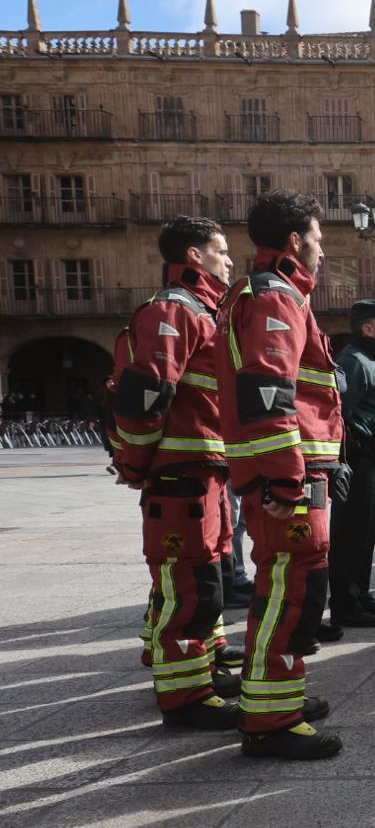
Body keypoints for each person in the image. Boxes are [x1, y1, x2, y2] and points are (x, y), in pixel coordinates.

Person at [215, 189, 345, 760]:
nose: (321, 250)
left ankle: (275, 700)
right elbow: (269, 392)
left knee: (286, 589)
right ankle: (271, 720)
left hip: (285, 469)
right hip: (289, 476)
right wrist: (287, 479)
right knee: (290, 593)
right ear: (295, 240)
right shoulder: (276, 295)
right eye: (317, 238)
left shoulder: (254, 292)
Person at [110, 215, 243, 729]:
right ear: (194, 256)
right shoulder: (174, 309)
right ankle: (185, 698)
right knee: (188, 584)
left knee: (205, 574)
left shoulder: (203, 310)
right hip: (181, 473)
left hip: (204, 468)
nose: (229, 260)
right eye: (221, 251)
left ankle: (204, 666)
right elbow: (146, 396)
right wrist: (136, 464)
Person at [329, 300, 375, 627]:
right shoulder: (354, 361)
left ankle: (361, 592)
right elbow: (341, 412)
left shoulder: (371, 359)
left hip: (372, 458)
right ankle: (346, 603)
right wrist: (365, 438)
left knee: (366, 530)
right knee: (350, 532)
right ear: (368, 328)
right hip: (360, 459)